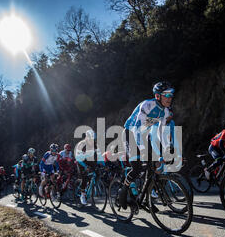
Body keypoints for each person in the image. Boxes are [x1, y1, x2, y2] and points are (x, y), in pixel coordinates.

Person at [118, 81, 175, 209]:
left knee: (153, 165)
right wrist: (143, 149)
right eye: (166, 94)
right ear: (157, 96)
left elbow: (161, 132)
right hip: (130, 133)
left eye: (171, 94)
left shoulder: (165, 111)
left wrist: (166, 149)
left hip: (143, 135)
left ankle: (143, 198)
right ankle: (124, 189)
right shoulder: (147, 105)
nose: (170, 97)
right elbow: (137, 128)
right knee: (137, 168)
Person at [75, 130, 105, 205]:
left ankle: (91, 185)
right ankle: (82, 195)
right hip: (81, 161)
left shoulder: (95, 144)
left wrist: (104, 164)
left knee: (97, 173)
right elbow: (78, 159)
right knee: (84, 177)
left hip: (89, 160)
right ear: (86, 137)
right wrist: (85, 166)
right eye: (90, 138)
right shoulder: (81, 145)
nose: (91, 140)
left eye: (93, 139)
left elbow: (99, 155)